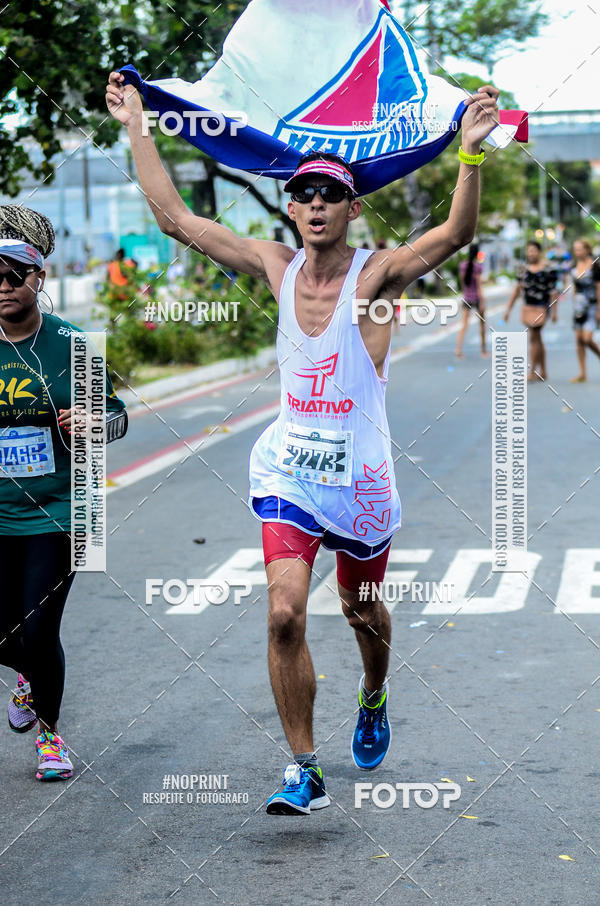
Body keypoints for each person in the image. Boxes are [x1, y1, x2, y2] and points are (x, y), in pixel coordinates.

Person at [106, 70, 500, 815]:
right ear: (291, 206)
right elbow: (173, 217)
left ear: (353, 207)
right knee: (284, 612)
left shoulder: (377, 273)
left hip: (361, 479)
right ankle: (304, 767)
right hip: (290, 466)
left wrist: (470, 156)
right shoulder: (273, 265)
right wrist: (137, 120)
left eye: (331, 195)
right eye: (306, 194)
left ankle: (375, 691)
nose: (317, 204)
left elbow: (455, 235)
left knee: (362, 611)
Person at [0, 205, 128, 781]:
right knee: (15, 637)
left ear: (38, 279)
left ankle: (51, 740)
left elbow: (118, 417)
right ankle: (28, 674)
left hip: (60, 511)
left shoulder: (72, 344)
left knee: (38, 630)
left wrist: (94, 422)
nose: (3, 287)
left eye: (14, 275)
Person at [504, 240, 559, 381]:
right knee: (537, 338)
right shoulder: (523, 270)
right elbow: (516, 290)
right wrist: (508, 310)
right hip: (528, 308)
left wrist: (554, 312)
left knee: (534, 336)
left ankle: (533, 371)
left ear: (539, 252)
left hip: (542, 307)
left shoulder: (548, 269)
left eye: (533, 250)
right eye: (529, 251)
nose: (531, 253)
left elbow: (553, 292)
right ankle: (543, 371)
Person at [568, 238, 600, 382]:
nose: (578, 252)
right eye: (576, 249)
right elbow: (574, 287)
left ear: (587, 250)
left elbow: (599, 287)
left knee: (587, 338)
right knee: (579, 339)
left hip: (593, 305)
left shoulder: (595, 265)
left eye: (580, 249)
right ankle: (582, 373)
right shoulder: (574, 265)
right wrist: (574, 302)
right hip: (579, 306)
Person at [455, 242, 487, 357]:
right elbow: (479, 286)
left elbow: (463, 284)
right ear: (477, 253)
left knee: (464, 324)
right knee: (482, 324)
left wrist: (464, 296)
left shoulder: (462, 265)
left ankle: (458, 350)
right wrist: (482, 301)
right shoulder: (478, 267)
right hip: (477, 298)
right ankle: (483, 351)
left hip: (466, 298)